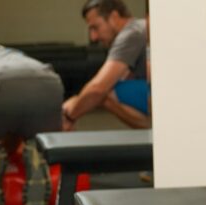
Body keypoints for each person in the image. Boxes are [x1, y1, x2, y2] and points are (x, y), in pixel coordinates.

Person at [62, 0, 150, 131]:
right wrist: (77, 100)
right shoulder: (138, 27)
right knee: (108, 88)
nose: (93, 37)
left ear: (114, 17)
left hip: (168, 95)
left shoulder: (130, 34)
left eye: (95, 27)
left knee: (104, 93)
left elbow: (99, 87)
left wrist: (69, 117)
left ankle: (153, 129)